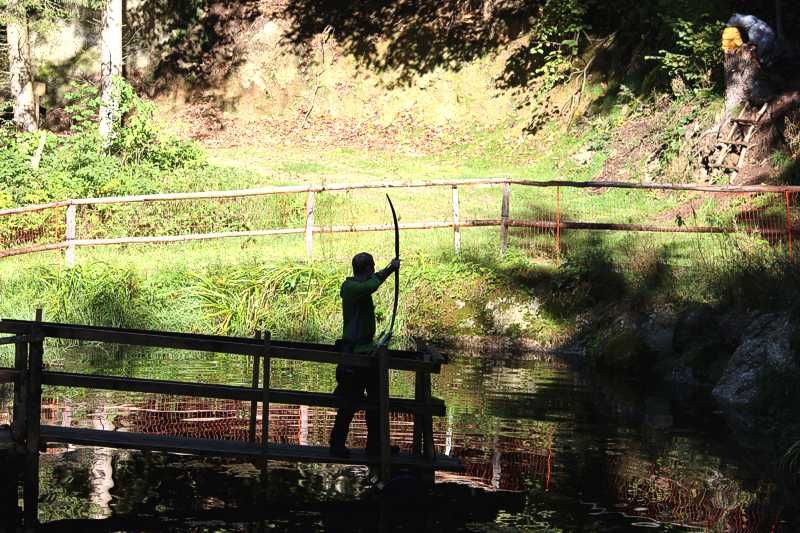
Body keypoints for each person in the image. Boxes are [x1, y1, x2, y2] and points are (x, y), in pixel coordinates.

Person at [329, 252, 400, 458]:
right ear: (368, 269)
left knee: (376, 401)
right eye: (373, 268)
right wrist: (389, 269)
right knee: (349, 402)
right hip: (354, 356)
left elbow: (370, 284)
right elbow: (370, 285)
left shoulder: (358, 287)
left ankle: (376, 445)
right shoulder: (351, 287)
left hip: (366, 353)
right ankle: (336, 444)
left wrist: (387, 269)